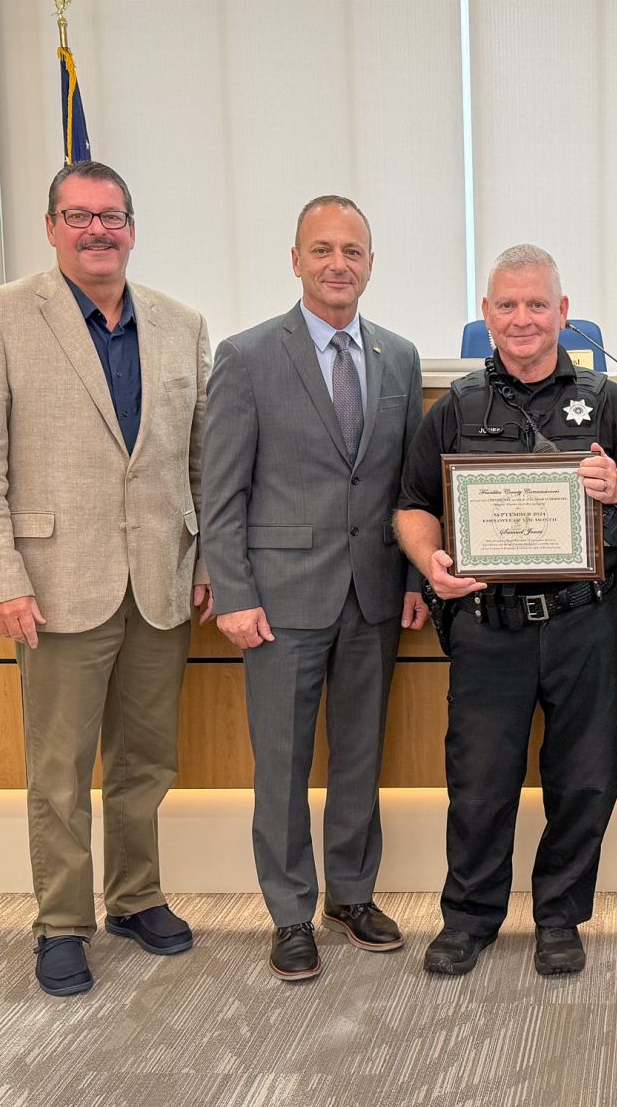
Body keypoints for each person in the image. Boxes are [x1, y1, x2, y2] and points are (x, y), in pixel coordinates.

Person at [0, 160, 212, 996]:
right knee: (58, 768)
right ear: (52, 226)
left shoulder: (180, 322)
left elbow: (200, 457)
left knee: (147, 760)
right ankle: (61, 922)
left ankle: (135, 897)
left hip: (160, 579)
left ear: (132, 226)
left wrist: (204, 561)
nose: (98, 230)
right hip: (54, 582)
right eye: (79, 215)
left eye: (112, 215)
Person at [395, 244, 617, 978]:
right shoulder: (453, 408)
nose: (523, 319)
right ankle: (470, 918)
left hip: (585, 621)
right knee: (479, 782)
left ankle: (560, 917)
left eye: (537, 304)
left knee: (584, 780)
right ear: (486, 316)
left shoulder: (607, 403)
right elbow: (412, 506)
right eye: (507, 305)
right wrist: (431, 563)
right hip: (488, 626)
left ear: (563, 314)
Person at [201, 195, 426, 982]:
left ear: (371, 262)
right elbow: (221, 490)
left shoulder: (399, 357)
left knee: (361, 755)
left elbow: (405, 485)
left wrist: (408, 579)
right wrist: (231, 590)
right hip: (278, 595)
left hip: (373, 593)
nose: (339, 265)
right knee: (284, 762)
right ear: (294, 259)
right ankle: (291, 911)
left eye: (353, 252)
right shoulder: (247, 355)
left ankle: (353, 896)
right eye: (322, 250)